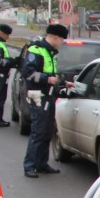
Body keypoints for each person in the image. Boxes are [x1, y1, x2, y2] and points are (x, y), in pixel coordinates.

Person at [21, 24, 72, 178]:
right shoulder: (36, 50)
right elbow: (28, 73)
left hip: (49, 95)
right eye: (62, 39)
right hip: (37, 95)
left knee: (47, 131)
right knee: (38, 131)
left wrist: (63, 83)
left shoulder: (51, 53)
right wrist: (46, 78)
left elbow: (52, 75)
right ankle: (29, 165)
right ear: (55, 37)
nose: (61, 42)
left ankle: (41, 164)